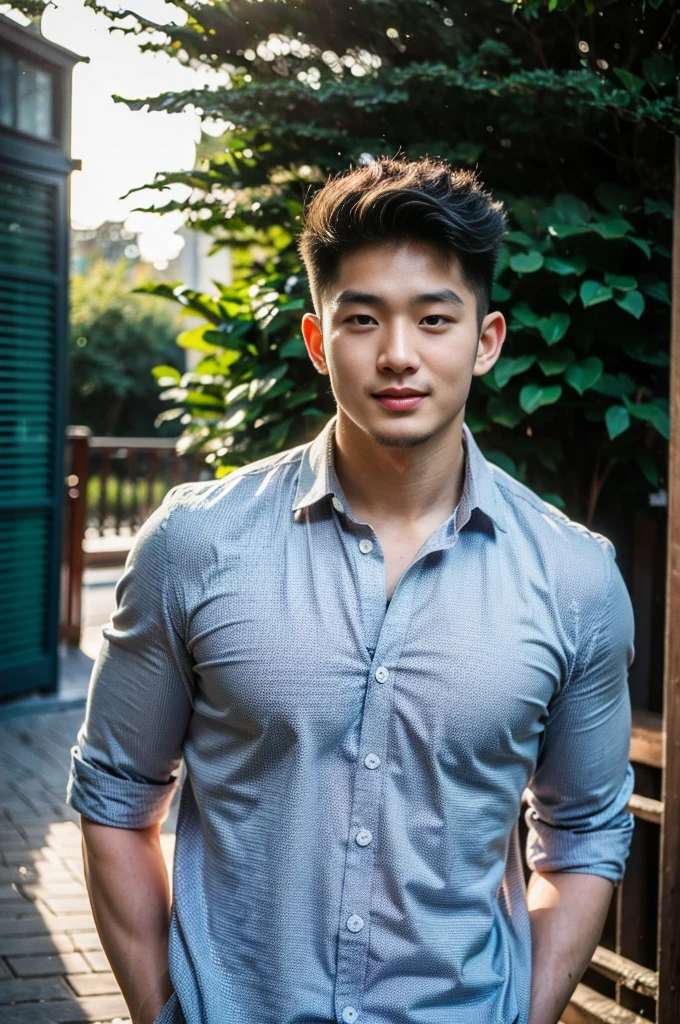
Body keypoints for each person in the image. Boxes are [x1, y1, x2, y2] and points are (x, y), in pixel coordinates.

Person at [67, 157, 635, 1024]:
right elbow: (115, 797)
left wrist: (527, 1012)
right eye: (362, 319)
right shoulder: (196, 542)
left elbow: (588, 832)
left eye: (435, 319)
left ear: (485, 341)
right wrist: (161, 1011)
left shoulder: (577, 578)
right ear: (316, 340)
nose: (398, 354)